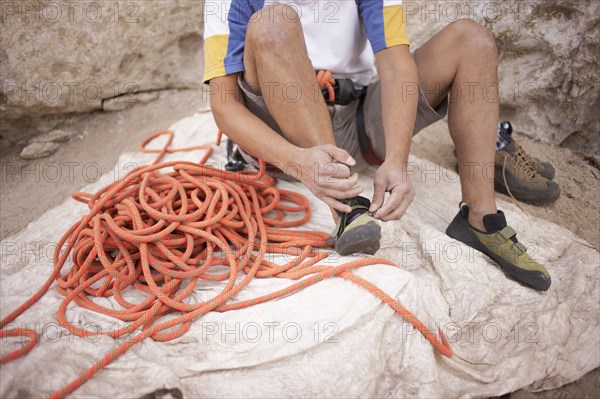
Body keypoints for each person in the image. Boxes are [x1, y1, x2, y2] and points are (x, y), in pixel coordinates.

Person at [202, 1, 551, 291]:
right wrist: (295, 161)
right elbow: (224, 106)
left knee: (471, 41)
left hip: (356, 118)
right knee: (273, 22)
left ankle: (481, 219)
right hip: (285, 134)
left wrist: (397, 160)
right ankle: (347, 208)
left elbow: (397, 65)